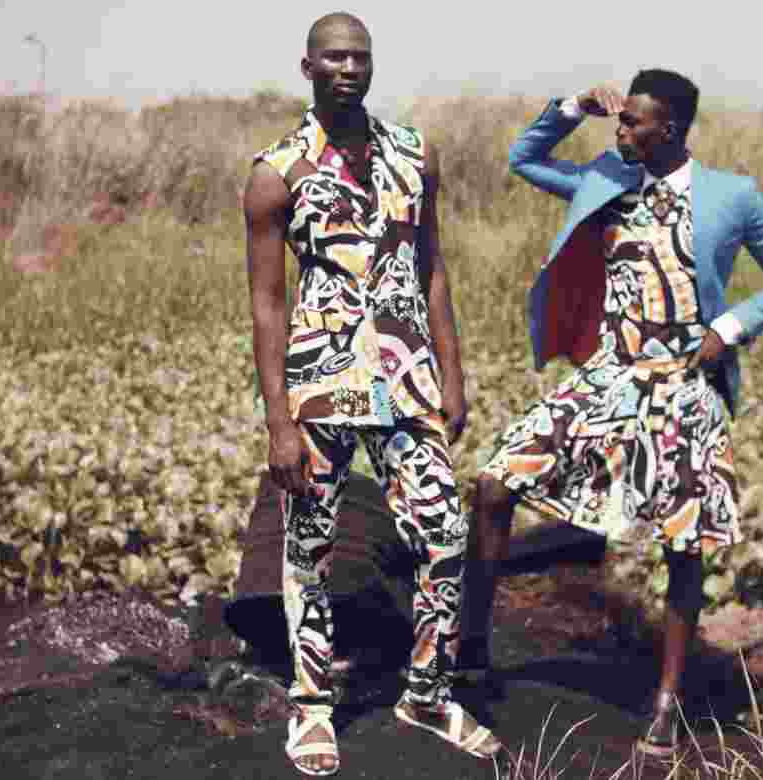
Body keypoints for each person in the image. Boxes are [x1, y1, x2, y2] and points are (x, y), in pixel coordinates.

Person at [461, 70, 763, 756]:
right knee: (495, 483)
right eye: (619, 124)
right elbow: (523, 159)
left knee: (685, 544)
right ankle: (470, 655)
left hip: (684, 385)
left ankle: (666, 703)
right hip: (608, 378)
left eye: (631, 124)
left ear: (670, 128)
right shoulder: (605, 180)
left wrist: (731, 329)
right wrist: (572, 107)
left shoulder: (730, 196)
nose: (619, 133)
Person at [244, 12, 501, 775]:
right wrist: (279, 420)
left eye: (360, 57)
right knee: (310, 549)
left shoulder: (413, 155)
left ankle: (427, 692)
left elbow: (434, 269)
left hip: (406, 377)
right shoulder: (277, 171)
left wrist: (451, 371)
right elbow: (267, 303)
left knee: (443, 538)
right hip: (321, 383)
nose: (349, 69)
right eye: (334, 58)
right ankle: (313, 706)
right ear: (308, 68)